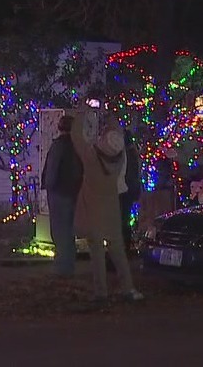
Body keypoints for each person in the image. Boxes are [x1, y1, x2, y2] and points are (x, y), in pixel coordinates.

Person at [70, 108, 144, 302]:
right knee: (118, 251)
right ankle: (128, 288)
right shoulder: (118, 160)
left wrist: (81, 113)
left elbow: (76, 136)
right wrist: (113, 119)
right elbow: (116, 135)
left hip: (92, 211)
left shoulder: (91, 158)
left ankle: (101, 292)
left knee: (97, 254)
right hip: (112, 210)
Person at [40, 115, 83, 276]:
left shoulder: (58, 146)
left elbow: (52, 170)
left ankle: (62, 267)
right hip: (73, 193)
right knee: (69, 230)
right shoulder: (78, 146)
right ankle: (68, 265)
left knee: (59, 230)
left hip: (59, 193)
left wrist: (48, 186)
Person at [119, 130, 142, 253]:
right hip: (130, 189)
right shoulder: (133, 154)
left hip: (125, 190)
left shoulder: (127, 155)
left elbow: (129, 174)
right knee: (125, 218)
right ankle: (125, 245)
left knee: (123, 218)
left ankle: (124, 246)